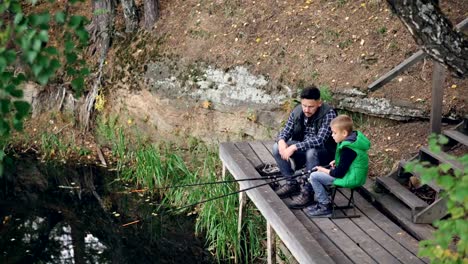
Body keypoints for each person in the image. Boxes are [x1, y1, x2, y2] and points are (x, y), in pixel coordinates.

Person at [272, 86, 336, 209]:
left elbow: (319, 140)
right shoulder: (297, 111)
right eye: (304, 105)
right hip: (303, 149)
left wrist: (294, 147)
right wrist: (281, 141)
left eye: (311, 106)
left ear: (319, 103)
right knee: (276, 147)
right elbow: (286, 131)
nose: (306, 109)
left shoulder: (329, 114)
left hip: (325, 153)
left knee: (311, 152)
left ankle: (308, 192)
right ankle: (291, 183)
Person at [304, 115, 370, 217]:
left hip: (351, 178)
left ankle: (324, 205)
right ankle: (325, 201)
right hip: (352, 175)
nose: (332, 135)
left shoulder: (348, 149)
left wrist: (322, 169)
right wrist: (337, 161)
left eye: (334, 133)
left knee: (314, 176)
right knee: (321, 173)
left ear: (344, 133)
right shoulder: (352, 142)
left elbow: (338, 173)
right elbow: (350, 160)